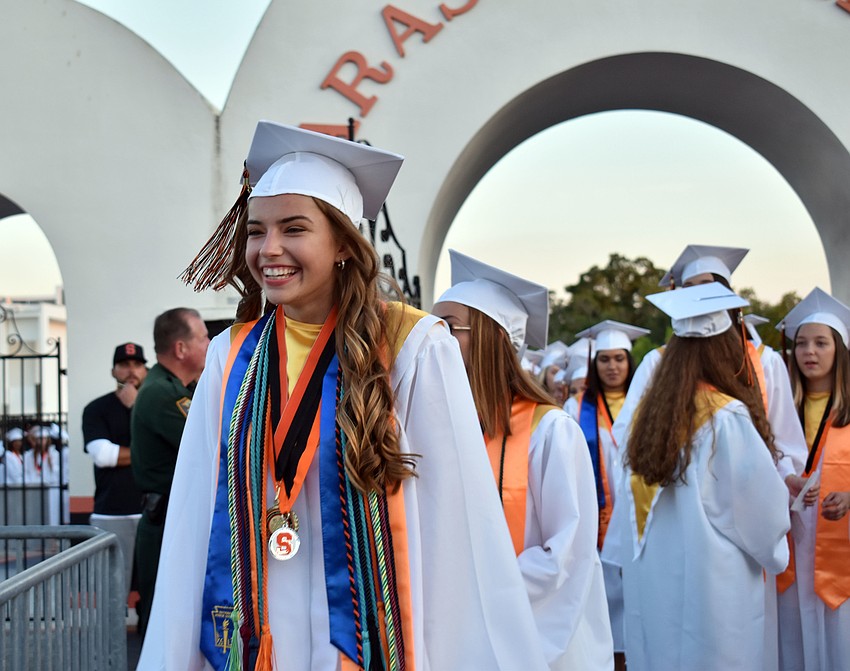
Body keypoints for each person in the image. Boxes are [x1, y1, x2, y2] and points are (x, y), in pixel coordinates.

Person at [137, 122, 548, 670]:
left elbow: (455, 527)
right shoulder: (229, 357)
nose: (269, 249)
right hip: (261, 623)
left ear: (342, 245)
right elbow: (193, 514)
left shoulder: (414, 348)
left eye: (294, 228)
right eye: (256, 231)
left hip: (381, 621)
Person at [433, 250, 613, 670]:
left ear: (493, 339)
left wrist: (478, 588)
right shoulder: (447, 427)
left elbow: (565, 554)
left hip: (538, 633)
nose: (435, 337)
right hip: (461, 631)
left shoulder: (551, 433)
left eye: (449, 328)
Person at [607, 282, 790, 671]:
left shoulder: (645, 419)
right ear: (725, 350)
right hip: (715, 594)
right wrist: (775, 551)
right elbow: (764, 519)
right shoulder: (727, 418)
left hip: (656, 590)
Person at [779, 287, 850, 670]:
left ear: (839, 350)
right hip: (789, 539)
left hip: (843, 545)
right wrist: (784, 479)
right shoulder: (779, 409)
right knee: (792, 636)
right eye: (802, 343)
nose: (809, 352)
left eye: (821, 343)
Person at [573, 320, 649, 670]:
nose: (613, 366)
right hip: (597, 521)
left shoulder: (649, 405)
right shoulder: (574, 410)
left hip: (640, 517)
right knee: (604, 600)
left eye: (619, 358)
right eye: (604, 359)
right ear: (594, 363)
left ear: (630, 363)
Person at [131, 309, 209, 639]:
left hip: (173, 520)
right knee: (163, 621)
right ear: (180, 349)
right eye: (203, 337)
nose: (209, 343)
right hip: (165, 523)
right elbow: (209, 443)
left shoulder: (173, 388)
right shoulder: (163, 393)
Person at [82, 342, 148, 599]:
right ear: (113, 371)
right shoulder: (97, 408)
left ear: (146, 369)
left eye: (137, 365)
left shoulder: (154, 405)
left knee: (153, 590)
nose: (131, 371)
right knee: (111, 591)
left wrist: (137, 406)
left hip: (152, 512)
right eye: (124, 365)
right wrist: (149, 456)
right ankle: (111, 641)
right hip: (111, 512)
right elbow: (103, 456)